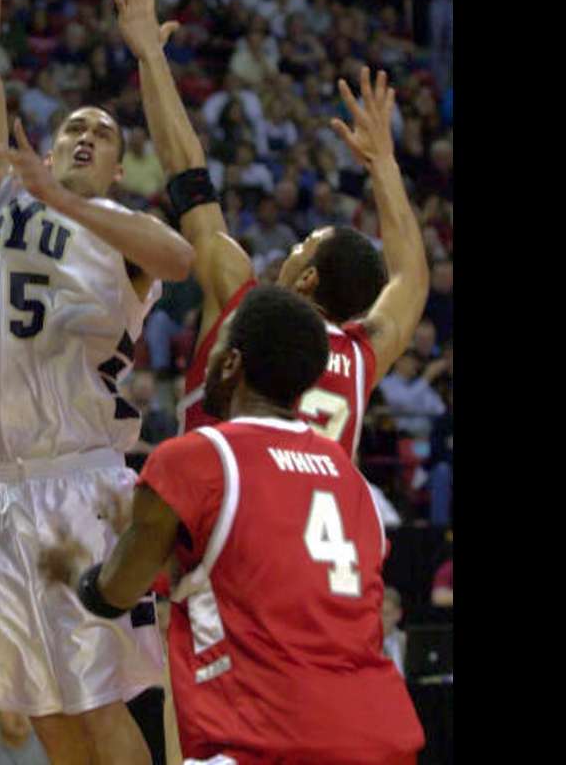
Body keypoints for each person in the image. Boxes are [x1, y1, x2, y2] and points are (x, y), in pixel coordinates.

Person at [0, 0, 195, 765]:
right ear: (47, 148)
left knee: (100, 705)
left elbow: (184, 260)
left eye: (103, 134)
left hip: (79, 485)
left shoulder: (121, 231)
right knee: (44, 714)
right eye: (72, 128)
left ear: (119, 169)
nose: (85, 135)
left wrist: (67, 199)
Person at [40, 286, 424, 764]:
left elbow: (114, 593)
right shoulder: (351, 478)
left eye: (217, 344)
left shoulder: (196, 459)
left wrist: (82, 571)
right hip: (381, 737)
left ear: (230, 362)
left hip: (267, 742)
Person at [111, 0, 429, 461]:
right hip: (317, 512)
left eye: (303, 246)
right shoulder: (361, 355)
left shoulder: (241, 303)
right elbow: (412, 276)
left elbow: (188, 176)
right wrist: (384, 163)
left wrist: (150, 55)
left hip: (221, 505)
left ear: (307, 279)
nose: (292, 250)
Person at [381, 586, 407, 680]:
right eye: (378, 613)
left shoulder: (406, 641)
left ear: (398, 614)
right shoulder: (367, 645)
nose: (381, 619)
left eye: (386, 614)